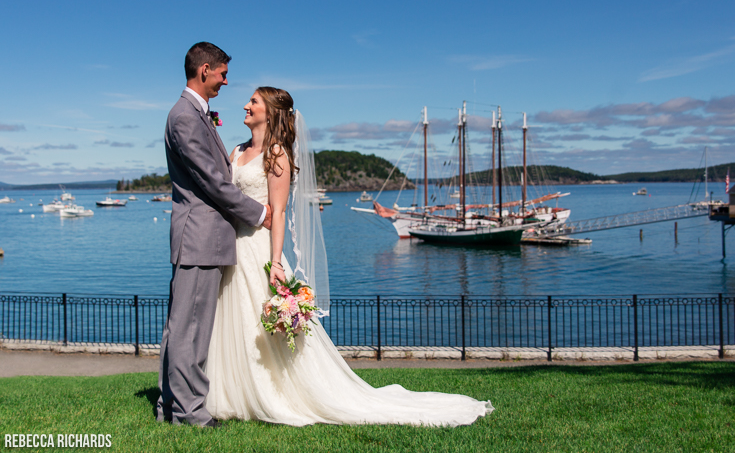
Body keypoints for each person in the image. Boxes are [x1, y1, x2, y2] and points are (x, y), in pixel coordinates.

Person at [205, 86, 493, 426]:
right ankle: (229, 392)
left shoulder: (277, 153)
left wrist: (277, 262)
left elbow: (278, 213)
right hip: (231, 246)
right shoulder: (237, 150)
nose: (245, 105)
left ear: (270, 111)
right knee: (232, 317)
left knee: (257, 321)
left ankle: (270, 392)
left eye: (253, 101)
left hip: (258, 247)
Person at [156, 43, 272, 428]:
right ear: (204, 70)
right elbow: (212, 182)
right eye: (222, 73)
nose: (226, 80)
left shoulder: (195, 114)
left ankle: (170, 406)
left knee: (181, 327)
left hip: (203, 237)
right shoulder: (185, 117)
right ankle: (189, 413)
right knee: (190, 327)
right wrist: (259, 213)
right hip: (199, 237)